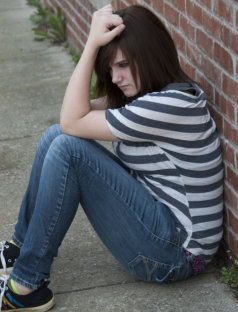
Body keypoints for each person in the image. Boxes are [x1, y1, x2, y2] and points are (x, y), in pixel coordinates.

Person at [0, 4, 224, 311]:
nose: (115, 78)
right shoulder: (152, 97)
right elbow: (72, 115)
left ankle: (25, 287)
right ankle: (18, 248)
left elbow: (73, 120)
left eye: (122, 65)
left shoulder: (168, 106)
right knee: (56, 136)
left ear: (149, 55)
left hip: (178, 255)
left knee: (68, 147)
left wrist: (92, 44)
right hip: (163, 228)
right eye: (110, 69)